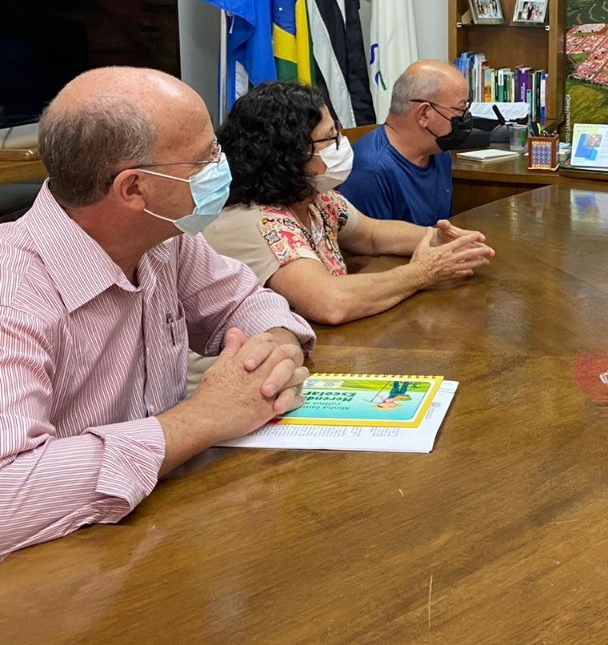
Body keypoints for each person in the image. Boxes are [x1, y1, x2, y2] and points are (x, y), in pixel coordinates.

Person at [0, 68, 316, 558]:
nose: (223, 166)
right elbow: (8, 494)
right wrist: (201, 420)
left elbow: (246, 301)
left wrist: (275, 349)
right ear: (134, 189)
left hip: (161, 531)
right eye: (207, 157)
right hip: (55, 572)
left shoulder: (163, 242)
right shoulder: (13, 294)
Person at [202, 81, 493, 327]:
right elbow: (330, 302)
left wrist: (440, 240)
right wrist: (423, 272)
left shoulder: (316, 198)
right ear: (289, 153)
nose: (341, 144)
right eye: (330, 138)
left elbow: (372, 234)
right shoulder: (257, 220)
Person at [341, 60, 469, 226]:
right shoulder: (368, 173)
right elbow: (371, 248)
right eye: (460, 110)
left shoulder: (439, 153)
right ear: (424, 114)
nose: (465, 118)